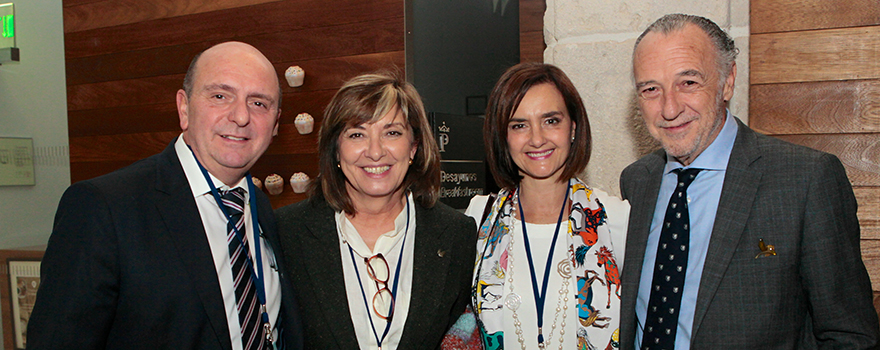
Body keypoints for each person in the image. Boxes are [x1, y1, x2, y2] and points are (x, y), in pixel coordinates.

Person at [619, 14, 879, 349]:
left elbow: (850, 337)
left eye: (689, 82)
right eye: (651, 89)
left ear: (728, 81)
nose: (669, 108)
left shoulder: (805, 180)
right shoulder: (637, 182)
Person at [27, 42, 303, 350]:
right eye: (220, 96)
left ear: (276, 124)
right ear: (184, 108)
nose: (240, 116)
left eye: (259, 103)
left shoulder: (259, 207)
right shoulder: (103, 207)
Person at [275, 71, 476, 349]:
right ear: (336, 150)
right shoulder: (287, 232)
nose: (375, 151)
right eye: (357, 134)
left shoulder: (456, 235)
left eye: (392, 132)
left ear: (414, 147)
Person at [466, 62, 629, 350]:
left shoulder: (615, 219)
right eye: (519, 125)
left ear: (573, 127)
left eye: (551, 120)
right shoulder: (480, 218)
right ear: (503, 137)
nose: (537, 138)